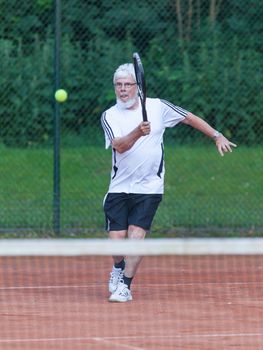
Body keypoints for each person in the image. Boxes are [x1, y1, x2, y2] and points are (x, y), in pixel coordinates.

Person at [101, 63, 236, 303]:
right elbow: (119, 146)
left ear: (138, 86)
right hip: (119, 187)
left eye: (127, 85)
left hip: (149, 187)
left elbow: (189, 118)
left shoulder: (158, 107)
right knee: (117, 244)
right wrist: (137, 132)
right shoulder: (109, 115)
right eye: (118, 85)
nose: (122, 90)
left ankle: (125, 286)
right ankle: (118, 268)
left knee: (136, 237)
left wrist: (216, 135)